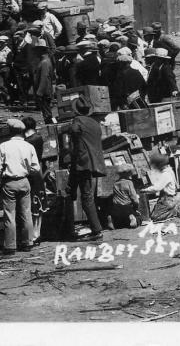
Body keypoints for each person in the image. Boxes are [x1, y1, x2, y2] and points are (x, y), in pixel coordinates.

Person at [0, 118, 41, 255]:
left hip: (9, 183)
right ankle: (28, 242)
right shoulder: (29, 146)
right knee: (26, 213)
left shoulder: (4, 146)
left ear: (10, 131)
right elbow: (36, 168)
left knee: (10, 215)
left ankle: (10, 246)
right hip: (24, 182)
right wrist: (25, 171)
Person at [64, 98, 106, 241]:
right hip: (92, 162)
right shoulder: (94, 123)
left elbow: (73, 131)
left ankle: (96, 230)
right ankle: (94, 228)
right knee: (83, 194)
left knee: (86, 196)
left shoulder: (77, 121)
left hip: (82, 163)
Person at [141, 151, 179, 221]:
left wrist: (145, 190)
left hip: (167, 200)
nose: (155, 168)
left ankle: (172, 212)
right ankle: (172, 210)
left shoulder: (165, 174)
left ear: (160, 165)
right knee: (155, 211)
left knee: (154, 217)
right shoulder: (169, 170)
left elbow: (157, 188)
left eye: (156, 166)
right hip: (170, 199)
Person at [33, 41, 55, 124]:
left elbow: (44, 78)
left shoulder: (44, 62)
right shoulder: (45, 61)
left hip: (45, 91)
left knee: (47, 112)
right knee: (46, 111)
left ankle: (50, 126)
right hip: (46, 90)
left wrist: (39, 92)